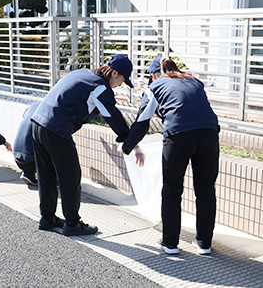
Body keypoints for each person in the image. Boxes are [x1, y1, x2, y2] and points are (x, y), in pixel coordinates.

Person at [121, 57, 220, 255]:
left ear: (153, 75)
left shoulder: (155, 86)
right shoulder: (194, 81)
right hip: (209, 133)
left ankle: (170, 242)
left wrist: (127, 146)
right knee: (206, 190)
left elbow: (142, 122)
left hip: (179, 135)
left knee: (172, 190)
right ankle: (204, 243)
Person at [31, 54, 136, 236]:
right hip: (56, 129)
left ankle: (47, 218)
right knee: (70, 177)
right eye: (122, 80)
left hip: (37, 123)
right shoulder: (99, 86)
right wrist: (128, 138)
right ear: (115, 73)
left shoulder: (84, 74)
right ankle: (72, 224)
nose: (120, 84)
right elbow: (111, 115)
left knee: (46, 174)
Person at [13, 102, 39, 186]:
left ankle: (27, 173)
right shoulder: (46, 110)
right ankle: (52, 179)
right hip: (31, 160)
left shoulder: (33, 106)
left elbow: (24, 115)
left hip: (17, 156)